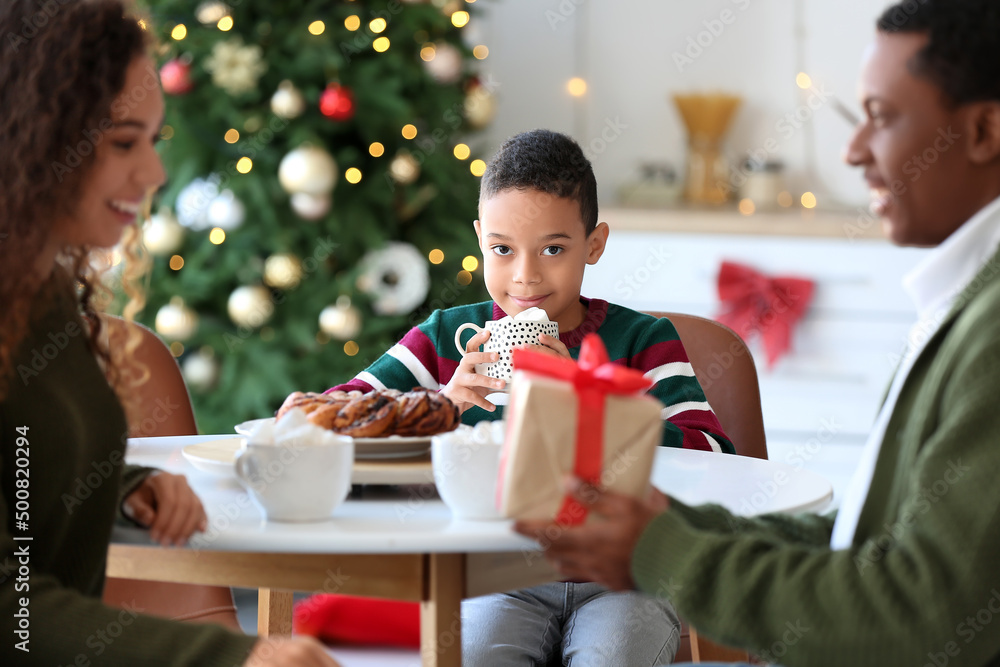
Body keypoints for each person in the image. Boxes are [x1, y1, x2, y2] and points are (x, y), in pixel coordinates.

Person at [515, 2, 1000, 666]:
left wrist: (659, 549)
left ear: (983, 130)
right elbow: (865, 543)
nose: (853, 150)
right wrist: (673, 527)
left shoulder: (990, 329)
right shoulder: (964, 304)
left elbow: (924, 612)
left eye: (882, 117)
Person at [0, 1, 339, 665]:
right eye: (124, 142)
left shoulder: (39, 294)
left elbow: (20, 456)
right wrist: (239, 658)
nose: (153, 174)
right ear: (31, 134)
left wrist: (122, 483)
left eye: (153, 141)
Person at [323, 130, 734, 665]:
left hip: (624, 576)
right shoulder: (448, 338)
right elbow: (338, 413)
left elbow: (717, 456)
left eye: (554, 249)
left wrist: (594, 404)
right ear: (479, 239)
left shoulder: (643, 341)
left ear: (594, 243)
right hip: (498, 574)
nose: (525, 275)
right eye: (502, 249)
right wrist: (442, 406)